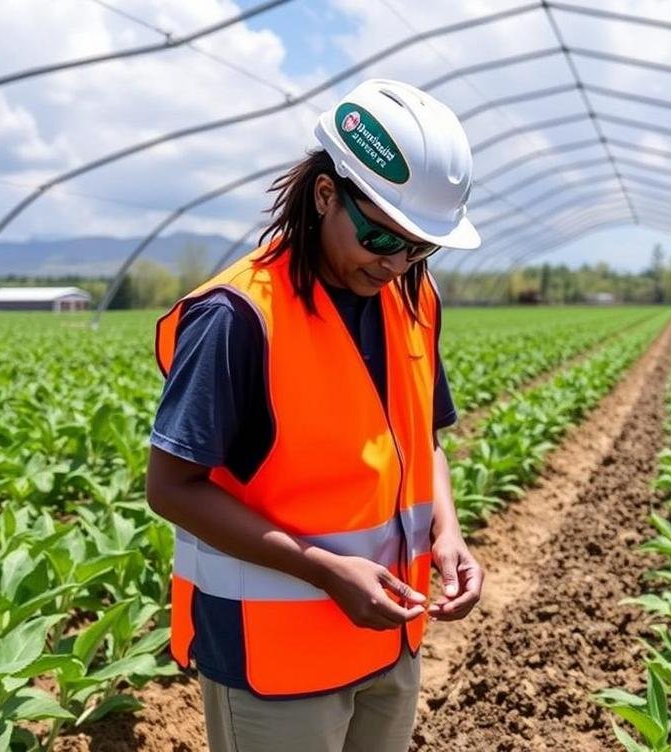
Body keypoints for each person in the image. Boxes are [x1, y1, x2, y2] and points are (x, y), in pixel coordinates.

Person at [146, 78, 484, 752]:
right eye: (381, 237)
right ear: (327, 194)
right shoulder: (237, 316)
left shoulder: (413, 300)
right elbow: (172, 489)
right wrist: (327, 571)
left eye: (420, 246)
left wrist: (448, 531)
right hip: (275, 662)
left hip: (389, 641)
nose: (397, 263)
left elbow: (424, 442)